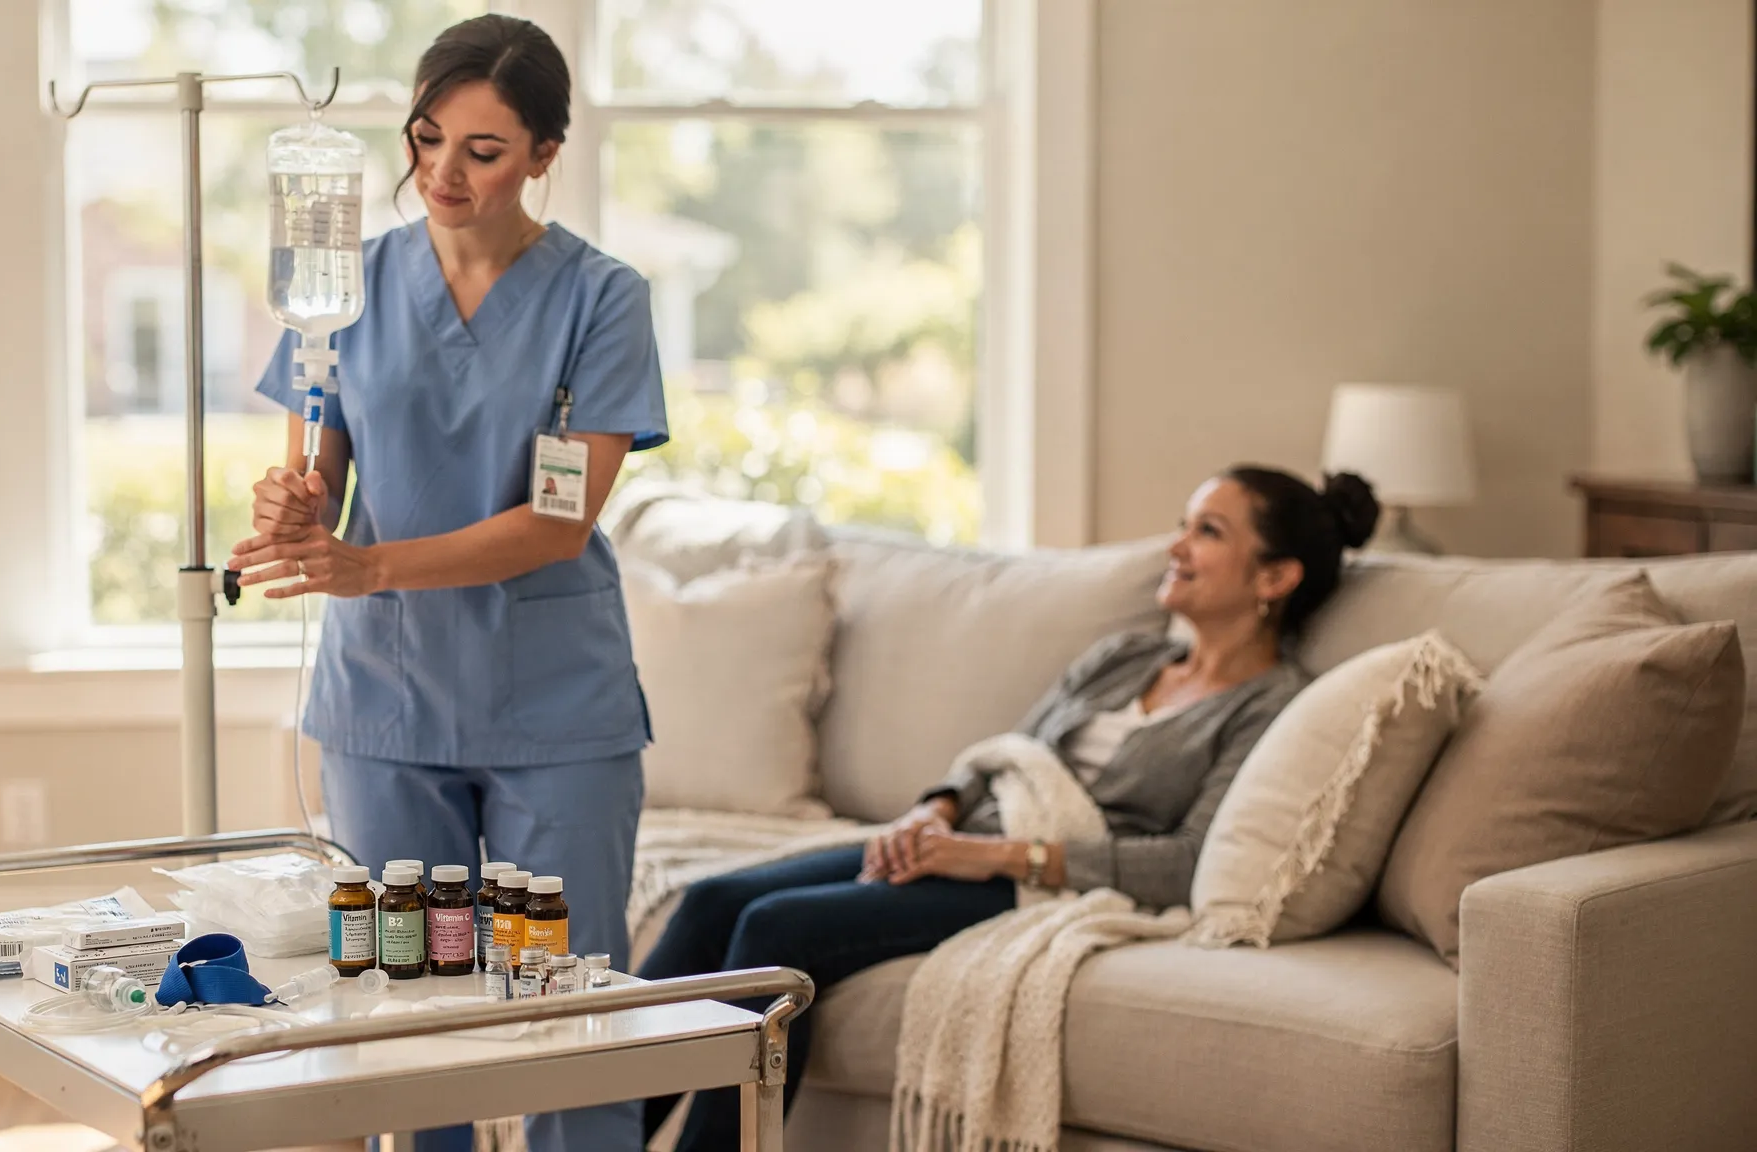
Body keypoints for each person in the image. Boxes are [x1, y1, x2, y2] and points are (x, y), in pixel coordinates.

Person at [635, 466, 1380, 1151]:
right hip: (966, 842)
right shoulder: (1125, 657)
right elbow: (1009, 754)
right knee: (709, 901)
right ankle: (581, 1135)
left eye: (1207, 532)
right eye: (1186, 524)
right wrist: (936, 812)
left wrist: (990, 856)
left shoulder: (1268, 706)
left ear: (1276, 576)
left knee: (777, 929)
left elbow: (1190, 858)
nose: (1176, 545)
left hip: (1031, 877)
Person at [228, 15, 663, 1152]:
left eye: (483, 149)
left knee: (560, 1018)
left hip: (552, 707)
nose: (442, 172)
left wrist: (367, 565)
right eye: (426, 139)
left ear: (543, 154)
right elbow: (315, 473)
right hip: (385, 707)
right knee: (401, 1024)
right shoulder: (344, 286)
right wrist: (293, 510)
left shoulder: (598, 300)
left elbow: (558, 523)